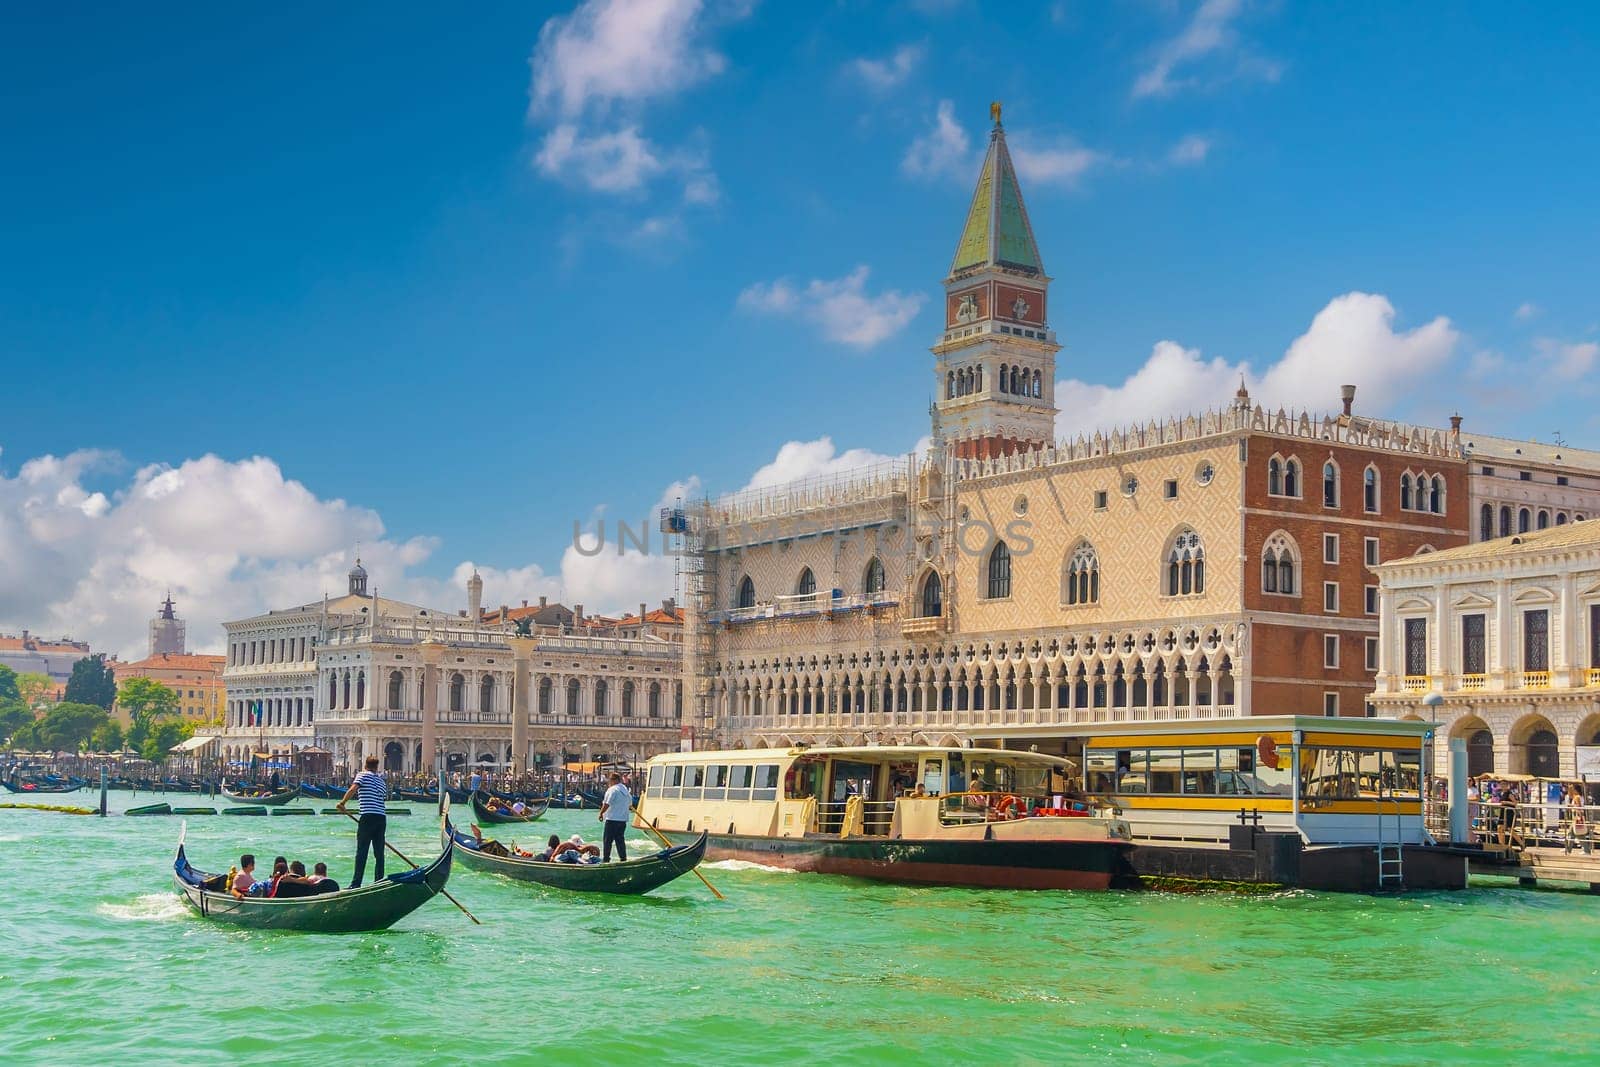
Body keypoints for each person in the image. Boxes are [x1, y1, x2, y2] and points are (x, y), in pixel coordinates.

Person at [336, 755, 388, 888]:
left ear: (365, 765)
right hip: (381, 818)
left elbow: (353, 789)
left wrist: (342, 803)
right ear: (376, 767)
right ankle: (379, 882)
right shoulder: (381, 781)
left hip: (367, 817)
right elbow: (383, 798)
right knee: (379, 853)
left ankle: (356, 883)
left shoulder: (362, 775)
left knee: (362, 851)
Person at [597, 771, 632, 862]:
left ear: (614, 780)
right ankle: (623, 859)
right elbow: (630, 804)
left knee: (607, 841)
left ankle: (606, 859)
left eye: (610, 780)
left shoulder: (613, 789)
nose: (609, 782)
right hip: (623, 820)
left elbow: (607, 803)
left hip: (612, 819)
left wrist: (601, 813)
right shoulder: (625, 789)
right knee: (620, 840)